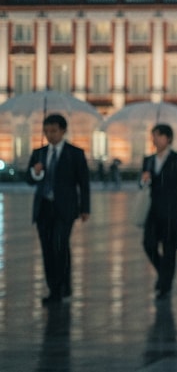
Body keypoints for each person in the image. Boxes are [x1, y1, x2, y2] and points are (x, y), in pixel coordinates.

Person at [25, 113, 91, 305]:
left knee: (59, 245)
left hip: (65, 209)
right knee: (47, 249)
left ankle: (60, 288)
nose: (49, 135)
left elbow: (83, 183)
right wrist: (35, 172)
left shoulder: (75, 153)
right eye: (46, 131)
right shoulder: (39, 153)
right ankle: (56, 286)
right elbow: (29, 181)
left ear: (63, 131)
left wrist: (85, 208)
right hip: (44, 208)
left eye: (53, 131)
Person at [141, 124, 177, 301]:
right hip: (154, 210)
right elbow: (142, 185)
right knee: (148, 244)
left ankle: (165, 285)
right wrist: (144, 180)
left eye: (158, 136)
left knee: (170, 248)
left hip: (173, 211)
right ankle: (164, 272)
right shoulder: (148, 160)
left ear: (168, 138)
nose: (154, 140)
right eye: (153, 136)